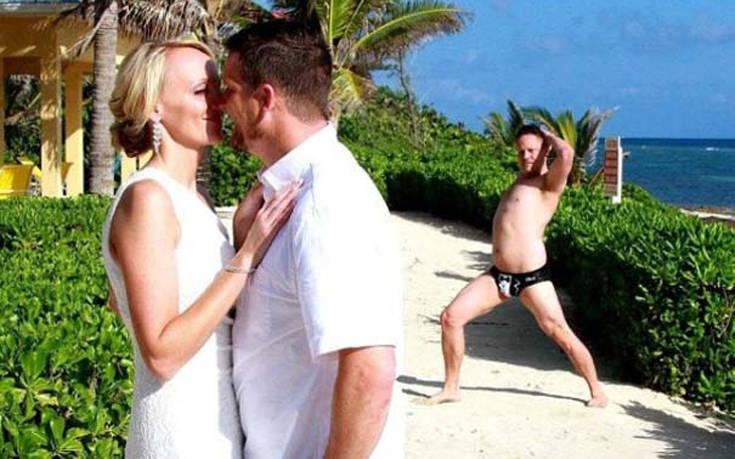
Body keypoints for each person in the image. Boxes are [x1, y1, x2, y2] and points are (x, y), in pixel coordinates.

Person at [102, 39, 299, 458]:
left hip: (215, 422)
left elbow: (121, 303)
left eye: (218, 90)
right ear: (153, 105)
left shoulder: (194, 200)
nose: (217, 102)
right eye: (199, 91)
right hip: (179, 430)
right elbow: (161, 355)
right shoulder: (148, 199)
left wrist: (242, 233)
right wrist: (247, 255)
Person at [220, 20, 405, 458]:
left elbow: (370, 367)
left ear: (264, 100)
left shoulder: (326, 200)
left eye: (229, 90)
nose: (220, 102)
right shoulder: (299, 190)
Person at [428, 124, 607, 408]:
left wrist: (548, 136)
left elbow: (567, 154)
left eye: (532, 150)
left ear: (544, 151)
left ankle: (597, 391)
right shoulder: (520, 181)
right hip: (499, 276)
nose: (525, 156)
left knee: (560, 333)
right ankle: (451, 387)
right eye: (521, 151)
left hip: (532, 279)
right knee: (451, 318)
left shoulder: (548, 184)